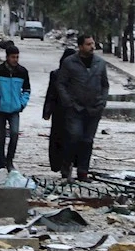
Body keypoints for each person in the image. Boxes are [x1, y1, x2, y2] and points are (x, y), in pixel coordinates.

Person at [55, 34, 110, 181]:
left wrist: (102, 102)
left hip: (94, 108)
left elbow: (105, 84)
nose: (92, 47)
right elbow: (60, 83)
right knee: (74, 136)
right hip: (75, 108)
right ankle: (66, 166)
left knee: (87, 140)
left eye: (93, 44)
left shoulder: (100, 63)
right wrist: (68, 102)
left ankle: (83, 171)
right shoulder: (69, 63)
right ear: (80, 46)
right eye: (88, 44)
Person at [0, 46, 32, 170]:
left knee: (14, 134)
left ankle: (9, 160)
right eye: (13, 57)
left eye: (17, 57)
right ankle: (1, 162)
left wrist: (22, 104)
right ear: (7, 57)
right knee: (0, 137)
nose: (15, 60)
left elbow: (26, 90)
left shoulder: (22, 72)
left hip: (15, 110)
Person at [43, 47, 76, 175]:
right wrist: (47, 111)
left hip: (74, 111)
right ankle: (59, 164)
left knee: (72, 138)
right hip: (59, 111)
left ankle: (69, 164)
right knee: (58, 138)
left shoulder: (78, 75)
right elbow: (50, 93)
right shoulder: (56, 74)